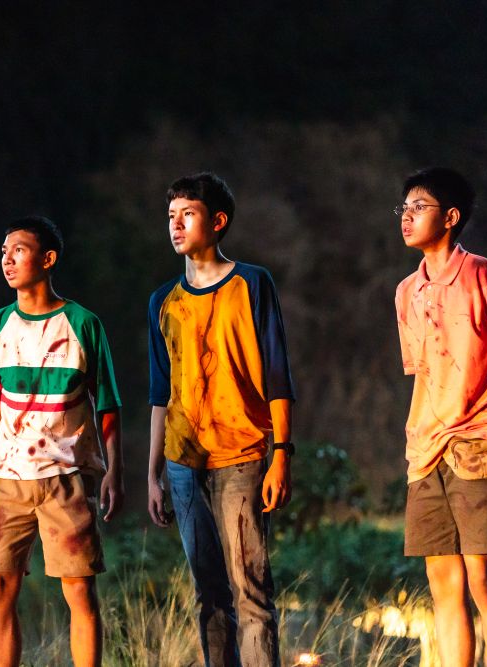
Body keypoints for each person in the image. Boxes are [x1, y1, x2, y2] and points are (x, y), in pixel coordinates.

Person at [147, 172, 295, 667]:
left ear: (217, 221)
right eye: (171, 216)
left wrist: (282, 454)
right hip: (183, 461)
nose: (176, 224)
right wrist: (153, 474)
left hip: (242, 454)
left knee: (250, 591)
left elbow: (277, 374)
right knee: (208, 594)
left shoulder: (251, 283)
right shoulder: (163, 301)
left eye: (187, 214)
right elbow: (160, 393)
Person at [394, 167, 487, 667]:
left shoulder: (482, 275)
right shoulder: (406, 291)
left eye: (419, 207)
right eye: (404, 208)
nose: (407, 217)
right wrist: (418, 439)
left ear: (450, 217)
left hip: (480, 445)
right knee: (442, 583)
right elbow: (424, 373)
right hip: (426, 452)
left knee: (484, 581)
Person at [0, 215, 123, 667]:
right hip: (8, 479)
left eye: (18, 250)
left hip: (67, 478)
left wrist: (114, 471)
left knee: (78, 589)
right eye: (3, 252)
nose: (7, 260)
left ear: (48, 258)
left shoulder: (83, 324)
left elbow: (108, 404)